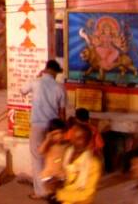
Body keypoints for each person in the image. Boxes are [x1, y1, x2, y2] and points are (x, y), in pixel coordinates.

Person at [21, 59, 66, 201]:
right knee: (53, 156)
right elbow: (62, 111)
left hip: (38, 125)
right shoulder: (59, 87)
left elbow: (22, 91)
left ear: (45, 69)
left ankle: (41, 191)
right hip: (53, 126)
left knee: (37, 158)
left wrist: (38, 75)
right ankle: (54, 187)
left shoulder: (35, 82)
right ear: (56, 73)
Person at [54, 123, 102, 204]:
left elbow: (87, 193)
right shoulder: (67, 153)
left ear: (88, 141)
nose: (75, 141)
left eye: (80, 138)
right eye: (74, 137)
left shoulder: (93, 163)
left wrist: (60, 195)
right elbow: (63, 176)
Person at [38, 117, 70, 188]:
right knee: (54, 190)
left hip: (61, 175)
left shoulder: (66, 145)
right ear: (51, 134)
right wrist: (48, 139)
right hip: (49, 176)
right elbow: (41, 151)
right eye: (56, 133)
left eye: (62, 133)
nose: (60, 136)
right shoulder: (49, 145)